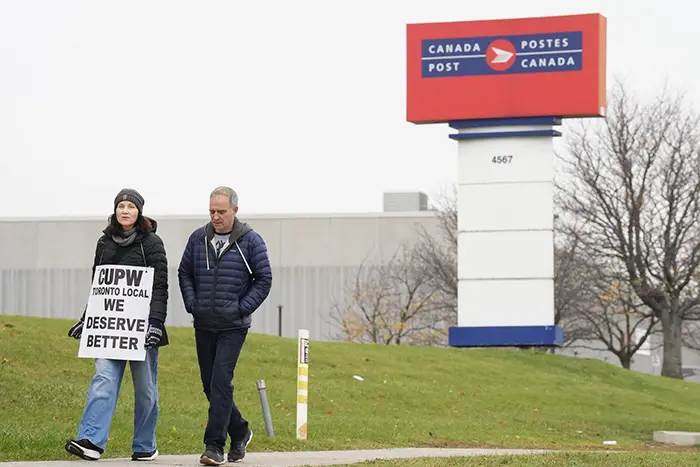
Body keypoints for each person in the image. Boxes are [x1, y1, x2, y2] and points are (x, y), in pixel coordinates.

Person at [65, 188, 169, 462]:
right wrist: (87, 320)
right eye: (121, 206)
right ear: (115, 210)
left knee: (146, 390)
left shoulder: (152, 243)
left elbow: (160, 287)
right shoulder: (104, 243)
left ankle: (145, 445)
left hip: (143, 330)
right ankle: (91, 441)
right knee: (103, 380)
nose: (125, 211)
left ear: (139, 212)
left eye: (130, 207)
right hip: (109, 330)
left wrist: (156, 323)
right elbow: (100, 287)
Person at [178, 186, 272, 466]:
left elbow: (264, 280)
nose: (216, 217)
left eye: (221, 211)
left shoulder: (251, 241)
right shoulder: (198, 239)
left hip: (233, 326)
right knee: (209, 386)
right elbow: (185, 272)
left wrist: (240, 309)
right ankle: (240, 430)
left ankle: (214, 446)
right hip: (204, 323)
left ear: (235, 210)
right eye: (212, 211)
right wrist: (193, 304)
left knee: (221, 380)